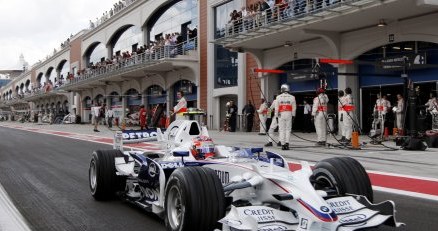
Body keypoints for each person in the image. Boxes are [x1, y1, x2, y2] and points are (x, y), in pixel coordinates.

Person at [275, 84, 296, 150]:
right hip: (289, 114)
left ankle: (283, 144)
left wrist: (276, 116)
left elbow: (276, 108)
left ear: (282, 89)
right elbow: (294, 108)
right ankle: (287, 143)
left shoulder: (278, 97)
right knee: (288, 129)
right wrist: (293, 115)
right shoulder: (292, 97)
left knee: (281, 130)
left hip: (281, 114)